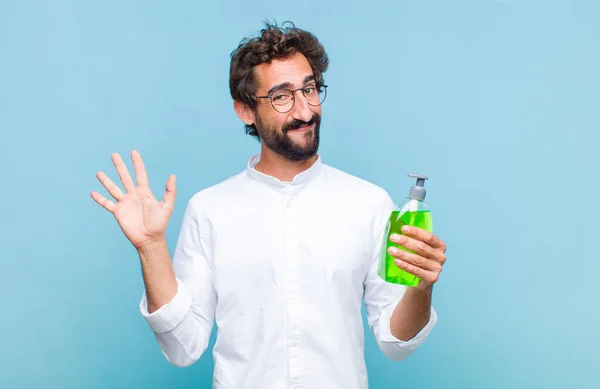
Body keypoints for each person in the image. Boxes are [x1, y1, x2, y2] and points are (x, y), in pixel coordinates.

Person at [91, 21, 447, 389]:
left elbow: (395, 344)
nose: (305, 110)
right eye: (282, 96)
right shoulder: (210, 209)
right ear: (246, 111)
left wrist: (420, 289)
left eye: (309, 89)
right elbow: (184, 348)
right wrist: (151, 249)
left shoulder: (369, 203)